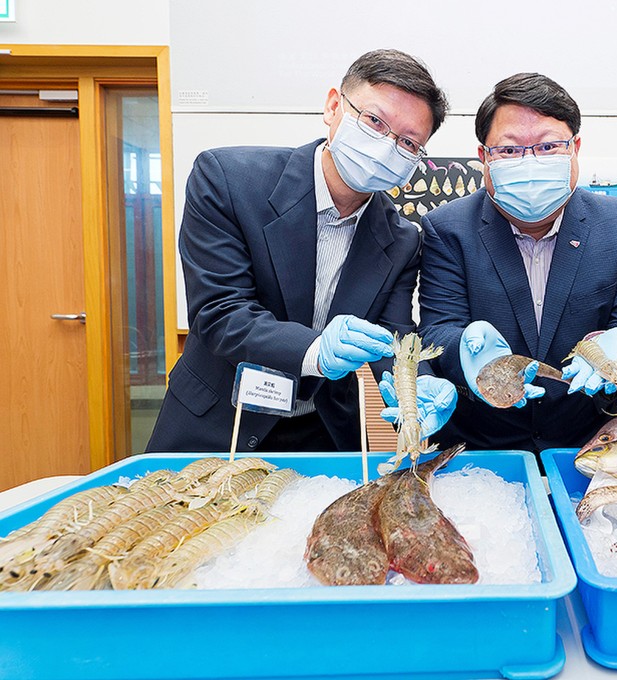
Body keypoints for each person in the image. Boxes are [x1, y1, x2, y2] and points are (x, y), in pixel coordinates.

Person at [147, 49, 456, 454]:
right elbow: (220, 312)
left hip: (322, 428)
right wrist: (314, 349)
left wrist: (415, 380)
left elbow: (392, 336)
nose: (385, 146)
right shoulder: (227, 179)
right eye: (375, 121)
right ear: (333, 106)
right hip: (217, 421)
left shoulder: (400, 239)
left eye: (408, 142)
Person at [418, 73, 617, 452]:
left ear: (575, 148)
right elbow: (438, 330)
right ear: (484, 156)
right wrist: (462, 346)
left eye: (549, 147)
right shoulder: (446, 228)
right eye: (510, 150)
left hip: (588, 444)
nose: (530, 162)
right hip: (477, 444)